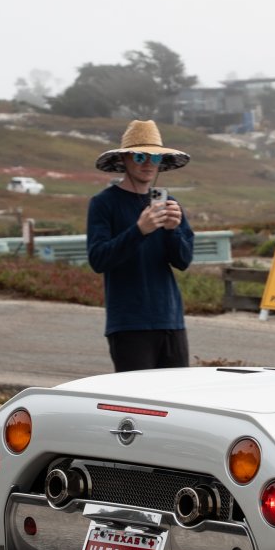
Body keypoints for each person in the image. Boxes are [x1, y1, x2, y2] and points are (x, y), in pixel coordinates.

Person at [87, 120, 194, 372]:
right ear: (124, 159)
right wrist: (139, 231)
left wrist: (172, 231)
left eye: (155, 158)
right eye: (139, 156)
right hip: (128, 323)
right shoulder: (104, 203)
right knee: (137, 403)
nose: (148, 163)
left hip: (170, 320)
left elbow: (183, 261)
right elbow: (98, 259)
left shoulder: (170, 204)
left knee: (176, 401)